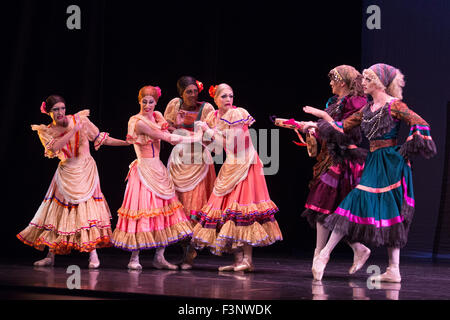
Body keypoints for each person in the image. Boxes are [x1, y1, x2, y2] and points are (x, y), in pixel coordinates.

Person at [304, 63, 437, 282]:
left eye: (366, 80)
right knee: (356, 202)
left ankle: (392, 268)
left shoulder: (395, 106)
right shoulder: (366, 109)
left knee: (389, 210)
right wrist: (319, 119)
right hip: (375, 161)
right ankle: (326, 255)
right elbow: (341, 127)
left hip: (392, 162)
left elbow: (420, 123)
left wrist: (408, 147)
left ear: (377, 83)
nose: (362, 83)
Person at [17, 94, 129, 268]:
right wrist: (73, 131)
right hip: (66, 172)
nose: (60, 112)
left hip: (86, 171)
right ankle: (50, 255)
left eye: (62, 108)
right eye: (55, 109)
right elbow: (54, 148)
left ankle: (93, 255)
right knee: (59, 213)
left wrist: (125, 143)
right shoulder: (46, 131)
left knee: (87, 211)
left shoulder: (80, 120)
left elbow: (101, 138)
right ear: (48, 112)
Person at [192, 83, 283, 272]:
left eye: (230, 96)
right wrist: (201, 132)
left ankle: (248, 260)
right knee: (228, 213)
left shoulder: (237, 114)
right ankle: (238, 259)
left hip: (245, 164)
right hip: (230, 165)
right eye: (223, 96)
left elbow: (233, 143)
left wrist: (209, 132)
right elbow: (214, 146)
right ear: (215, 99)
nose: (228, 100)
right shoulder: (214, 116)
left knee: (244, 211)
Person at [111, 85, 202, 270]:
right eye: (144, 101)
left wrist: (177, 123)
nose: (147, 105)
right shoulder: (137, 122)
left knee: (163, 213)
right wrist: (196, 137)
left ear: (156, 102)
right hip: (144, 169)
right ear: (139, 101)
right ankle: (134, 258)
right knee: (142, 212)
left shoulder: (157, 116)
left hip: (158, 168)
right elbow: (167, 138)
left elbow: (170, 132)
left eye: (151, 102)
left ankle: (159, 256)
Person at [299, 65, 371, 276]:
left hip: (347, 160)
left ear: (342, 82)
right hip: (330, 158)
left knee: (338, 210)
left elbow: (348, 132)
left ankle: (324, 255)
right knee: (323, 207)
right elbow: (326, 129)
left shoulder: (356, 102)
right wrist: (312, 129)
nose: (330, 83)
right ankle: (326, 253)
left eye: (333, 79)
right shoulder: (333, 102)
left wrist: (320, 122)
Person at [164, 76, 216, 269]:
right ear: (181, 93)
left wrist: (198, 134)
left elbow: (211, 135)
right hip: (179, 161)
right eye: (189, 92)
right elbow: (166, 129)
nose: (193, 95)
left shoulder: (207, 109)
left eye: (195, 91)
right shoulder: (174, 106)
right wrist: (177, 126)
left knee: (196, 203)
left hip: (199, 161)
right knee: (180, 205)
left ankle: (191, 253)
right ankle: (185, 248)